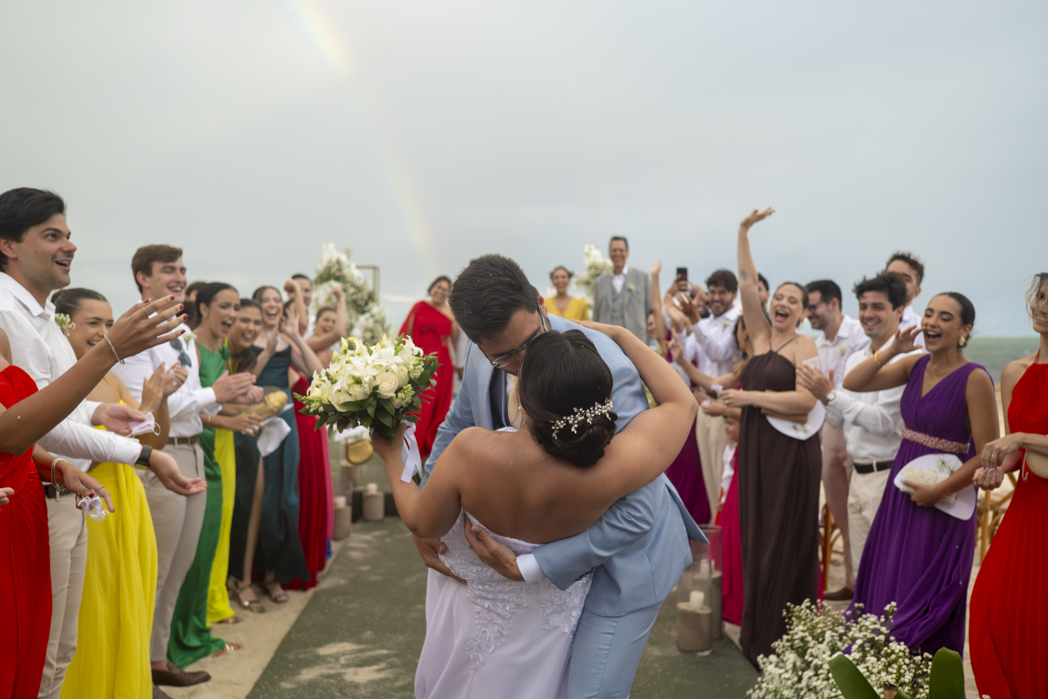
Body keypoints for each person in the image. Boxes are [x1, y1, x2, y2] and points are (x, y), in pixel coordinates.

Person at [411, 254, 702, 699]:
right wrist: (434, 506)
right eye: (503, 356)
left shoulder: (603, 363)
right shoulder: (478, 351)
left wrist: (531, 566)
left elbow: (636, 509)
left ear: (542, 305)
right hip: (534, 562)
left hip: (617, 568)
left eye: (527, 342)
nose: (523, 362)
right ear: (476, 341)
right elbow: (456, 424)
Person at [0, 191, 206, 698]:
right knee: (35, 656)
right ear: (7, 243)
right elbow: (24, 425)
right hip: (29, 497)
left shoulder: (42, 316)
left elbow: (58, 411)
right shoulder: (6, 313)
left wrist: (105, 417)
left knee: (57, 654)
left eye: (67, 234)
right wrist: (141, 447)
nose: (69, 245)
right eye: (52, 235)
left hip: (64, 492)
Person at [112, 244, 256, 690]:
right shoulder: (135, 330)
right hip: (159, 453)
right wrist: (218, 393)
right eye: (167, 270)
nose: (178, 277)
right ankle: (137, 671)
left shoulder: (183, 333)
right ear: (142, 278)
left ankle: (158, 659)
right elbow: (145, 405)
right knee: (153, 570)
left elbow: (184, 402)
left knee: (180, 567)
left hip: (192, 448)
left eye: (182, 270)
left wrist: (217, 396)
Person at [843, 292, 998, 655]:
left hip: (946, 500)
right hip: (903, 491)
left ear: (964, 330)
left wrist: (939, 490)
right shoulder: (913, 366)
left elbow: (987, 455)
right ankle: (880, 672)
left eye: (944, 317)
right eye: (928, 314)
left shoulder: (974, 379)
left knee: (921, 591)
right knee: (889, 579)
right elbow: (853, 383)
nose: (930, 322)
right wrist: (892, 349)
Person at [53, 289, 180, 699]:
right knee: (95, 607)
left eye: (109, 323)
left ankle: (128, 681)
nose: (104, 332)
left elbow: (152, 441)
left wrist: (156, 400)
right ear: (63, 324)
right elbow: (67, 440)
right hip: (91, 498)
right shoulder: (60, 375)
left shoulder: (108, 375)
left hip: (128, 496)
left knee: (131, 598)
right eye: (94, 323)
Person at [718, 208, 822, 665]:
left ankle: (782, 640)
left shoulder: (806, 347)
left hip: (792, 455)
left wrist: (749, 399)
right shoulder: (759, 337)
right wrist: (742, 232)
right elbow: (745, 283)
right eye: (777, 296)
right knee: (757, 535)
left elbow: (805, 403)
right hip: (758, 451)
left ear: (802, 312)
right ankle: (756, 633)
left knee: (783, 536)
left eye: (792, 300)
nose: (782, 303)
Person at [798, 273, 919, 581]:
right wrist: (824, 399)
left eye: (878, 306)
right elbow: (842, 420)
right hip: (858, 475)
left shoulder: (908, 358)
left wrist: (830, 395)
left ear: (899, 311)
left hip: (888, 475)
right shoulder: (856, 360)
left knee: (888, 572)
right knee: (864, 571)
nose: (867, 314)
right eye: (863, 306)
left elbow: (885, 423)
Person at [168, 283, 259, 667]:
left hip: (211, 452)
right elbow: (183, 407)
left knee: (206, 550)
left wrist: (238, 398)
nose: (232, 315)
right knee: (190, 555)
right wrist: (228, 419)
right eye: (225, 306)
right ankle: (184, 639)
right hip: (194, 450)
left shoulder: (218, 348)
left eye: (236, 307)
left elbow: (210, 395)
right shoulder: (188, 345)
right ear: (203, 307)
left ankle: (197, 630)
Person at [969, 273, 1048, 699]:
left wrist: (1018, 439)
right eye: (1040, 296)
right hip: (1027, 509)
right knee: (990, 607)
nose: (1043, 306)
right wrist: (999, 470)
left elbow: (1018, 437)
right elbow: (1017, 455)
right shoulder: (1015, 371)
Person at [227, 286, 323, 605]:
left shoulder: (286, 340)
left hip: (285, 423)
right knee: (254, 499)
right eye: (264, 300)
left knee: (284, 498)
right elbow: (240, 385)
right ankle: (242, 576)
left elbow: (316, 372)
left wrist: (295, 336)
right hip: (252, 421)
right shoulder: (243, 340)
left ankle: (274, 576)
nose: (271, 305)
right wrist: (265, 352)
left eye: (274, 301)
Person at [804, 278, 869, 599]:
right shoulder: (816, 345)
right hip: (830, 430)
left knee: (861, 505)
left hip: (859, 428)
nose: (808, 312)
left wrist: (831, 394)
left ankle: (867, 583)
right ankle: (851, 582)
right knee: (839, 506)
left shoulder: (858, 334)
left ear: (833, 304)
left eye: (813, 305)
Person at [682, 269, 743, 518]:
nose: (716, 298)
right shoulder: (704, 322)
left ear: (733, 294)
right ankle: (718, 543)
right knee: (709, 478)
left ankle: (726, 541)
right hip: (704, 405)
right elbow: (684, 358)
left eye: (722, 292)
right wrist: (684, 325)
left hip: (726, 406)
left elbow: (719, 352)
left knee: (722, 477)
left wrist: (694, 320)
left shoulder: (739, 319)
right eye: (713, 292)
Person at [399, 276, 458, 460]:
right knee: (422, 403)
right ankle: (413, 444)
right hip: (420, 360)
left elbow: (455, 341)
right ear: (432, 288)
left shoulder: (451, 313)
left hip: (442, 362)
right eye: (438, 287)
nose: (441, 291)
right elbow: (405, 333)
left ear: (449, 293)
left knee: (439, 404)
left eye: (445, 289)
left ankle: (431, 446)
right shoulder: (419, 307)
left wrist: (458, 364)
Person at [592, 237, 651, 342]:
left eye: (621, 250)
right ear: (609, 253)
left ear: (627, 253)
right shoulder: (599, 282)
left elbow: (650, 314)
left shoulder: (642, 278)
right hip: (606, 341)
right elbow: (596, 316)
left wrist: (652, 343)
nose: (617, 253)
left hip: (636, 340)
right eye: (614, 250)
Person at [885, 252, 926, 347]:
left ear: (916, 292)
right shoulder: (866, 323)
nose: (896, 282)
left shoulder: (921, 330)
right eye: (891, 276)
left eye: (905, 279)